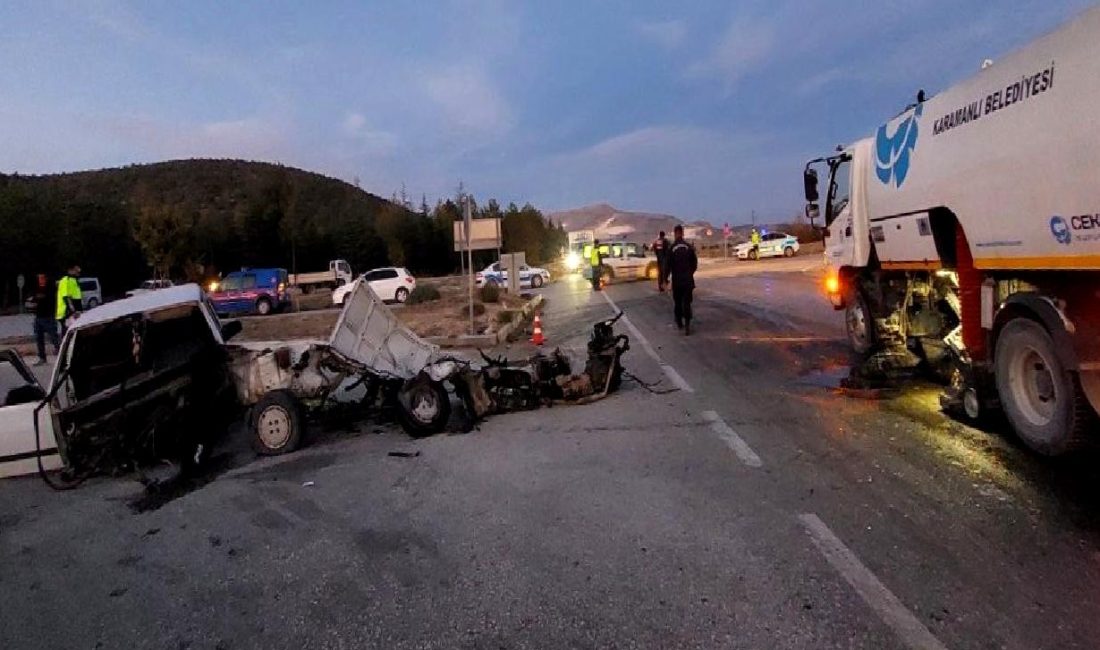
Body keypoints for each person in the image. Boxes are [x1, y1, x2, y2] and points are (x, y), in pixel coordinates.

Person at [665, 225, 698, 335]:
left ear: (675, 234)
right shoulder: (689, 247)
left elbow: (667, 265)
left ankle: (679, 322)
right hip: (688, 280)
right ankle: (687, 325)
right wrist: (690, 273)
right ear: (682, 233)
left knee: (678, 302)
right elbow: (694, 263)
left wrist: (665, 279)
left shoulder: (672, 248)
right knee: (687, 302)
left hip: (677, 281)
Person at [32, 274, 60, 366]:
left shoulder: (50, 288)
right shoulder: (38, 288)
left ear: (46, 279)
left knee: (54, 337)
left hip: (48, 317)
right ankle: (42, 358)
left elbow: (46, 298)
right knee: (39, 338)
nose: (40, 280)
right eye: (39, 278)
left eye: (42, 278)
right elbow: (34, 298)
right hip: (38, 317)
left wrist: (38, 297)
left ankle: (61, 354)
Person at [56, 264, 82, 336]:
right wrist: (72, 311)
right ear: (70, 270)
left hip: (73, 311)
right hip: (67, 312)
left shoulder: (74, 280)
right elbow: (66, 297)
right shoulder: (65, 280)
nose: (79, 270)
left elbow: (76, 296)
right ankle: (64, 346)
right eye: (76, 269)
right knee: (68, 332)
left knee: (72, 332)